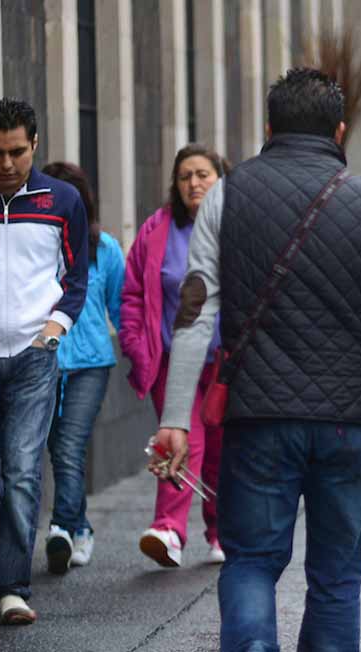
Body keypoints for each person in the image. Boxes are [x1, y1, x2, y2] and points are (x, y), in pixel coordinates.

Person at [151, 60, 361, 651]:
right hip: (350, 422)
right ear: (340, 131)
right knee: (337, 581)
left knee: (249, 563)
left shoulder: (227, 198)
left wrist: (174, 420)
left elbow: (193, 311)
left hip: (258, 419)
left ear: (268, 126)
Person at [0, 98, 90, 624]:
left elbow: (75, 278)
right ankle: (1, 567)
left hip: (35, 355)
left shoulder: (63, 200)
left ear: (34, 144)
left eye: (16, 152)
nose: (6, 164)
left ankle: (11, 587)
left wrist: (55, 329)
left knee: (24, 472)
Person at [120, 144, 228, 567]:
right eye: (185, 176)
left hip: (224, 361)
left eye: (203, 174)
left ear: (221, 179)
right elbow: (131, 292)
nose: (193, 183)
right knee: (180, 439)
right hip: (171, 358)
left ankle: (222, 532)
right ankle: (168, 530)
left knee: (222, 449)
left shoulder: (237, 227)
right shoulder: (157, 229)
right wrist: (133, 341)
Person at [41, 161, 125, 574]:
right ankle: (81, 528)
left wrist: (146, 359)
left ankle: (60, 528)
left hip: (91, 363)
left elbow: (120, 307)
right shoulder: (37, 245)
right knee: (55, 448)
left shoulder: (105, 249)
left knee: (69, 447)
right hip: (41, 361)